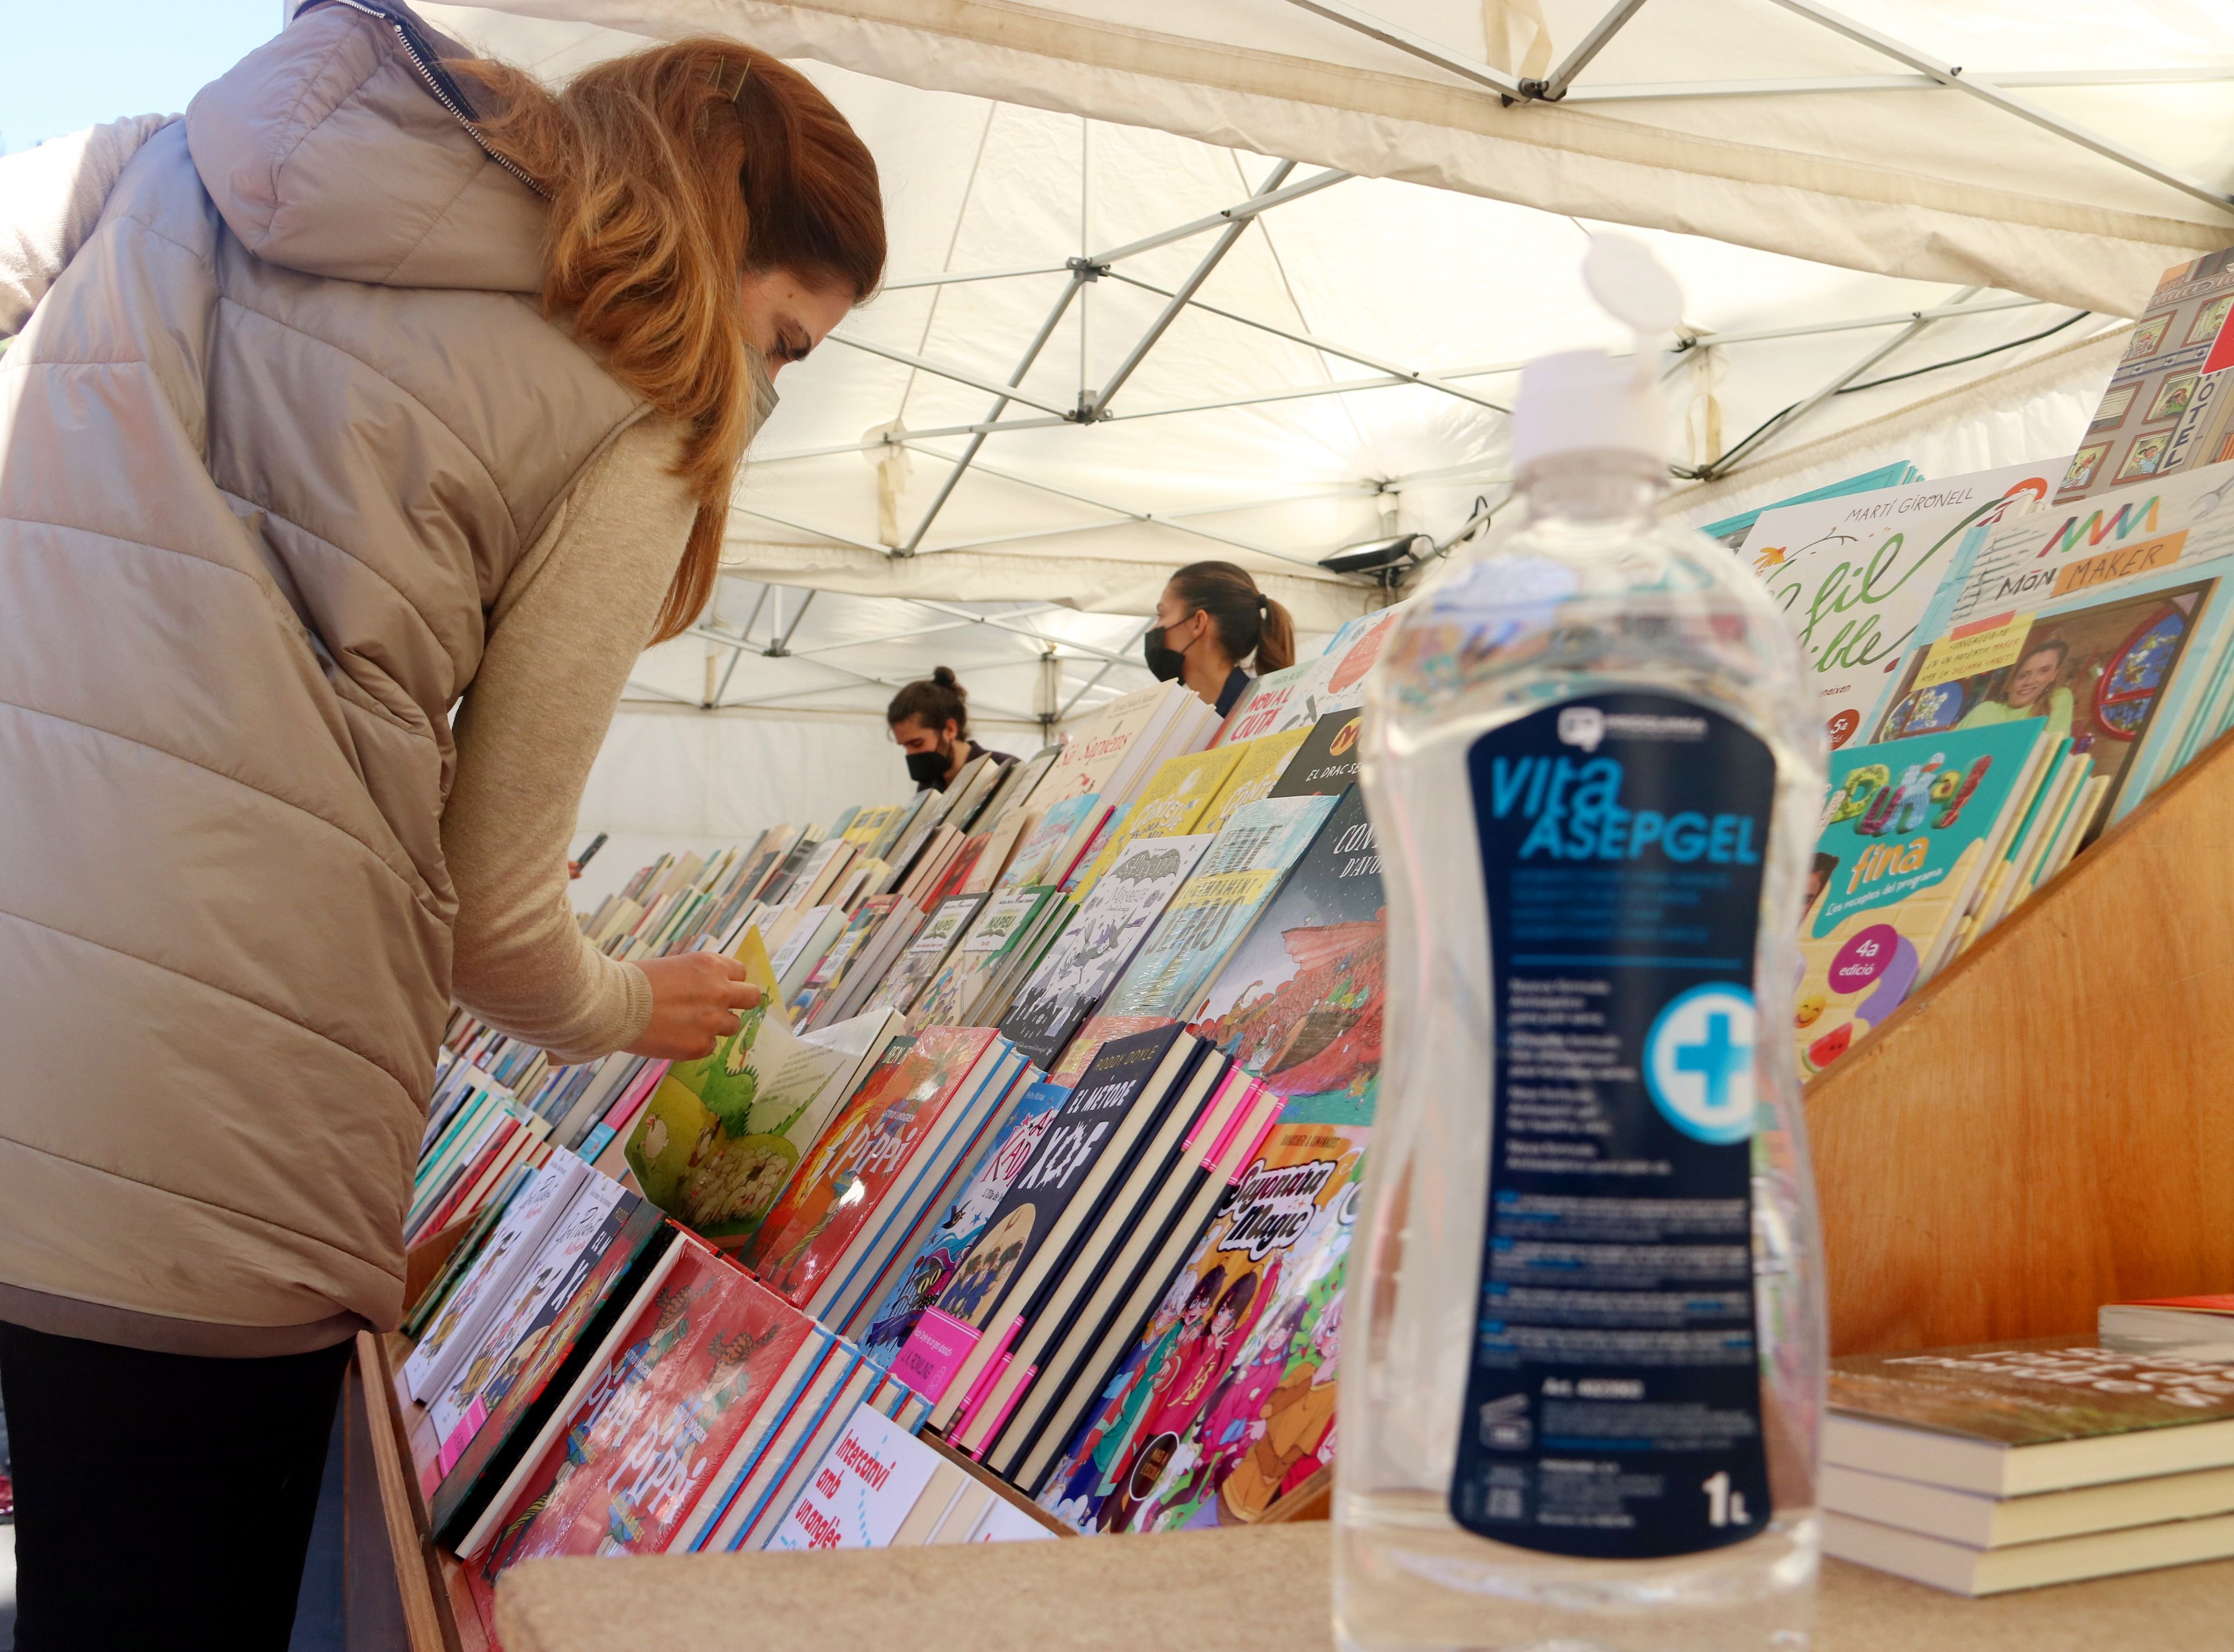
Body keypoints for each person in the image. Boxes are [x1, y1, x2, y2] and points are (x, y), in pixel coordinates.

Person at [0, 5, 884, 1647]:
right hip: (207, 1135)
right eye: (790, 341)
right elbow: (496, 918)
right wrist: (637, 1006)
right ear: (728, 244)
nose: (765, 390)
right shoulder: (644, 393)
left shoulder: (162, 166)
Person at [1144, 560, 1297, 715]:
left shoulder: (1251, 716)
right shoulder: (1222, 714)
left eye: (1161, 615)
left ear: (1198, 623)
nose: (1153, 629)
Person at [887, 665, 1013, 790]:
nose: (910, 754)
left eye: (917, 743)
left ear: (950, 729)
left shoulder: (1005, 770)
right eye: (905, 746)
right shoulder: (928, 788)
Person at [1958, 637, 2075, 743]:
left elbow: (2050, 752)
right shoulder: (1986, 710)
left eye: (2043, 671)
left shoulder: (2059, 698)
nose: (2030, 681)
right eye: (2023, 675)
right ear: (2010, 682)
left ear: (2055, 674)